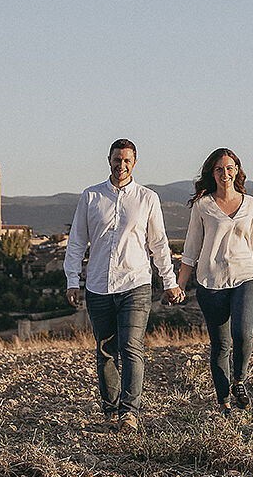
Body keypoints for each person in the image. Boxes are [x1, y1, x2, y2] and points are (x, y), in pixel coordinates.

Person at [64, 139, 182, 433]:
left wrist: (169, 281)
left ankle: (130, 412)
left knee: (131, 348)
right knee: (105, 350)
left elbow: (159, 244)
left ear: (135, 163)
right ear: (109, 160)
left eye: (127, 160)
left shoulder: (147, 198)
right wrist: (71, 280)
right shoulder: (91, 197)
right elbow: (77, 242)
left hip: (135, 284)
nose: (122, 165)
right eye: (117, 159)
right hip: (98, 286)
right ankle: (111, 408)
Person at [176, 147, 253, 413]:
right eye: (219, 169)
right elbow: (191, 249)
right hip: (211, 282)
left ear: (237, 170)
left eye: (229, 168)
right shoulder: (202, 206)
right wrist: (180, 285)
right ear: (212, 173)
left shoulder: (250, 203)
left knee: (243, 335)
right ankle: (224, 401)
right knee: (220, 345)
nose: (224, 173)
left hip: (245, 276)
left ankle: (239, 380)